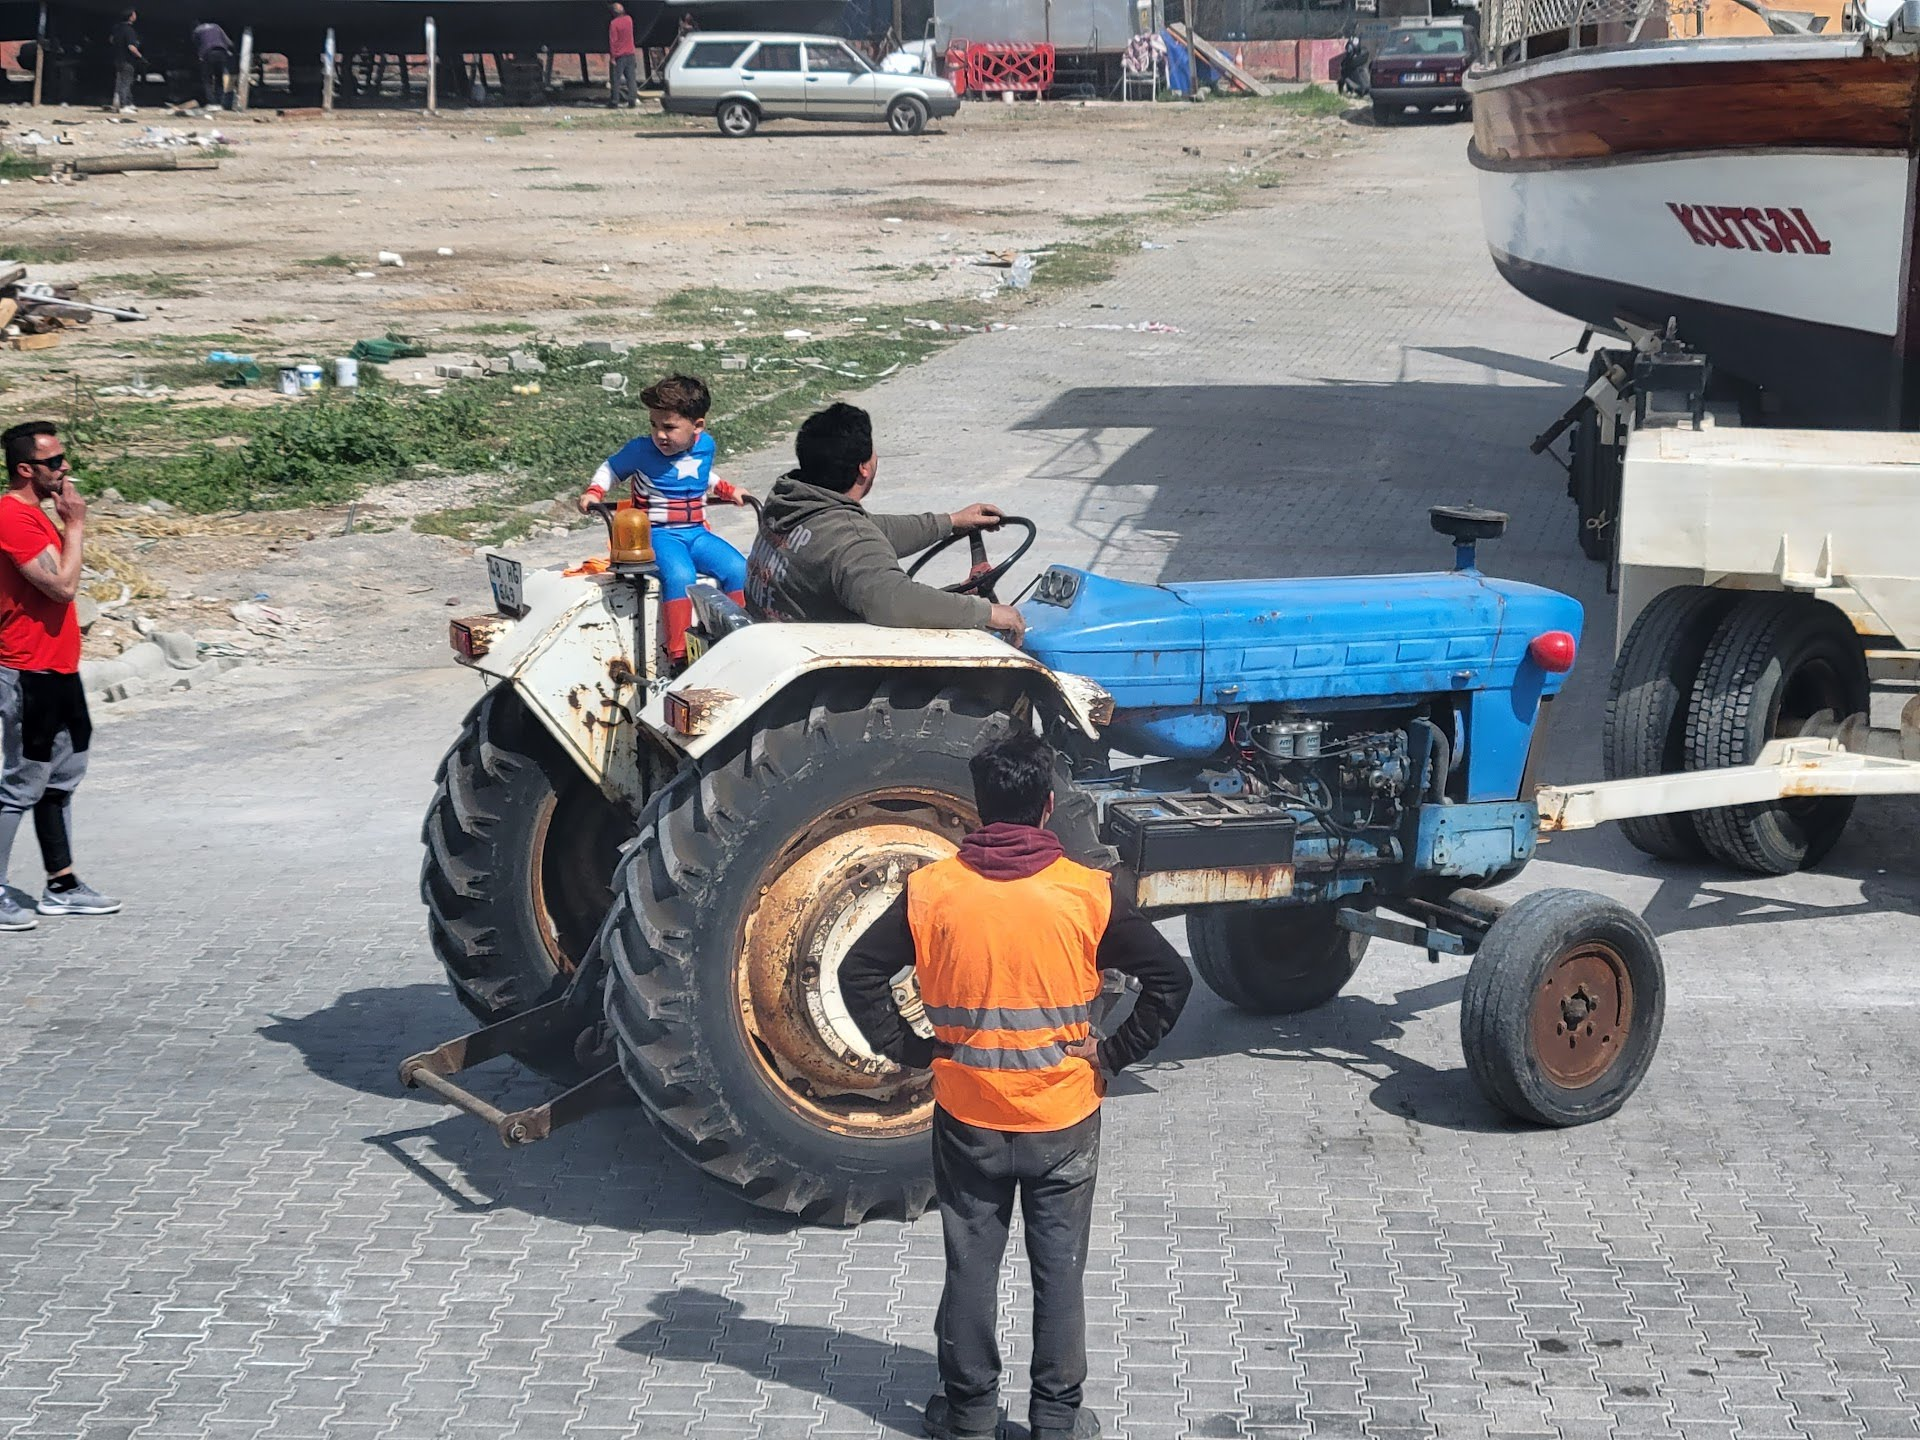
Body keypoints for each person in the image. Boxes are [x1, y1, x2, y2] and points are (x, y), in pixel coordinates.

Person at [839, 731, 1190, 1440]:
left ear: (979, 807)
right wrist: (1114, 1053)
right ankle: (1056, 1422)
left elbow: (857, 973)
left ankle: (969, 1417)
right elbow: (1171, 980)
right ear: (1048, 806)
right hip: (1063, 1116)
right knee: (1058, 1271)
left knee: (972, 1262)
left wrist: (912, 1047)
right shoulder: (1088, 894)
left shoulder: (932, 891)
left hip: (968, 1113)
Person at [744, 402, 1026, 644]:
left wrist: (950, 522)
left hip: (784, 643)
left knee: (949, 601)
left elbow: (871, 530)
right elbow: (896, 600)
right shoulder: (849, 540)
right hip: (831, 675)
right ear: (863, 468)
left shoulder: (790, 503)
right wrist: (986, 612)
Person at [0, 423, 121, 930]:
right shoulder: (11, 517)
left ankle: (62, 884)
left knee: (62, 778)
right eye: (55, 462)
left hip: (60, 668)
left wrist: (66, 525)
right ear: (26, 469)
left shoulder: (39, 516)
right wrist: (75, 526)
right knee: (20, 784)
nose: (65, 468)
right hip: (27, 670)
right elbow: (63, 588)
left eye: (64, 458)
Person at [576, 374, 748, 665]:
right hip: (658, 533)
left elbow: (700, 475)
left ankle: (740, 638)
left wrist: (728, 490)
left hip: (696, 532)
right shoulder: (641, 450)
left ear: (697, 427)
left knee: (738, 567)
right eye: (654, 425)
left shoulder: (705, 446)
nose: (660, 434)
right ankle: (679, 653)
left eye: (669, 427)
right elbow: (611, 469)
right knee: (680, 575)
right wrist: (594, 492)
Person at [191, 19, 233, 110]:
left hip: (208, 53)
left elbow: (196, 44)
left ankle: (211, 103)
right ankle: (219, 103)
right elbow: (229, 42)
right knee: (219, 78)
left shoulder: (197, 30)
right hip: (221, 52)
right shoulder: (217, 27)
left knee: (207, 79)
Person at [109, 9, 142, 113]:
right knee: (126, 82)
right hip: (127, 60)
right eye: (134, 14)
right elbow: (131, 46)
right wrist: (140, 56)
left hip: (117, 58)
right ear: (131, 17)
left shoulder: (117, 28)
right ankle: (124, 105)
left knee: (120, 81)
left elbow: (111, 40)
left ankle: (127, 102)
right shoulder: (129, 30)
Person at [607, 2, 638, 108]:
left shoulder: (614, 24)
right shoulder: (629, 20)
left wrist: (612, 57)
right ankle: (632, 100)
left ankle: (615, 101)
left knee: (615, 80)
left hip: (619, 56)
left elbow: (613, 41)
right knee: (631, 79)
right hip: (630, 53)